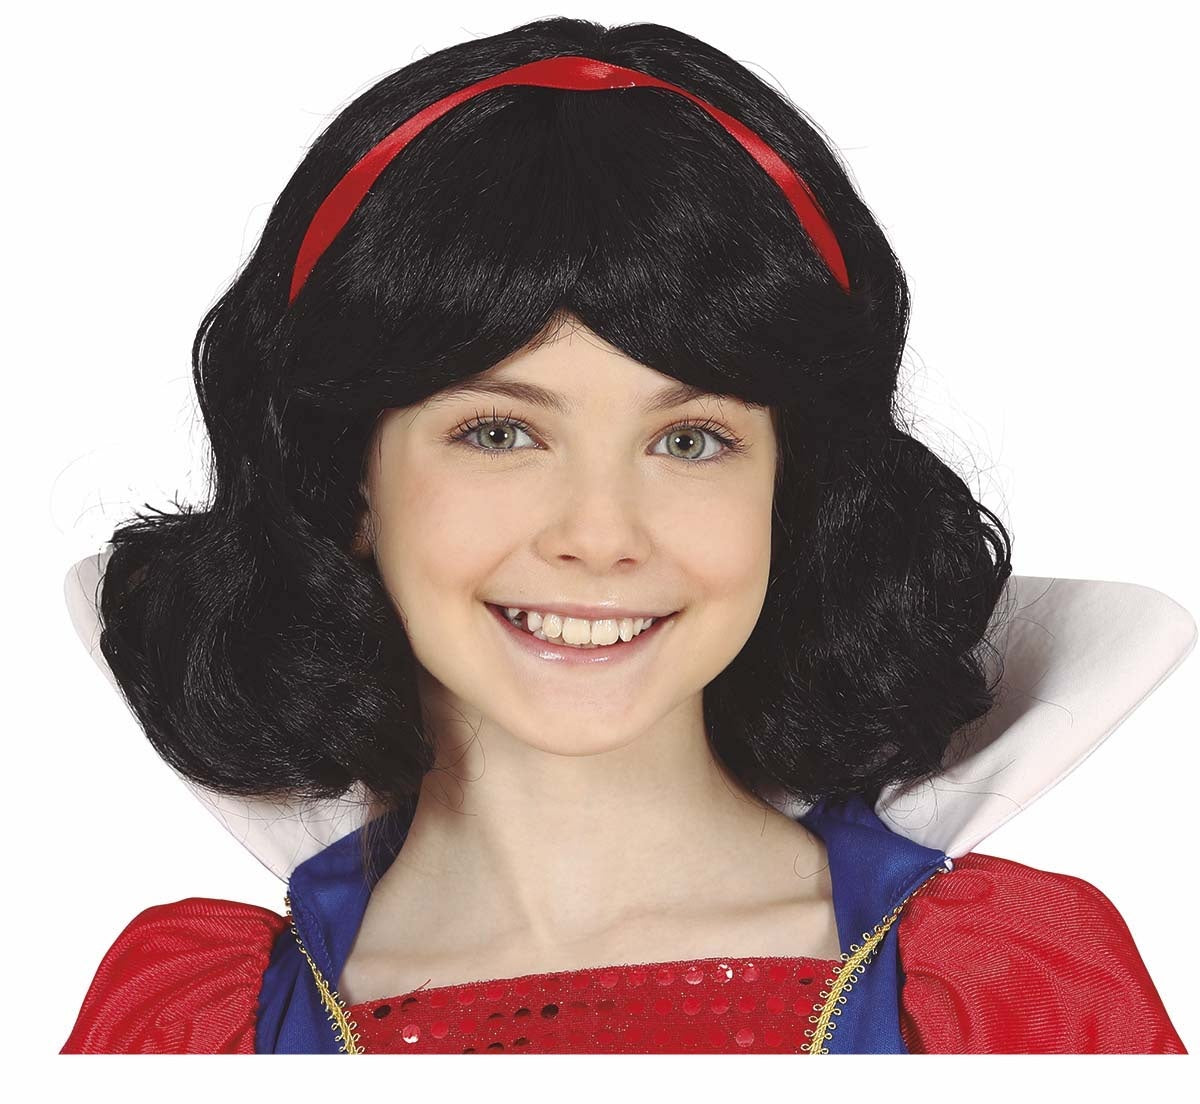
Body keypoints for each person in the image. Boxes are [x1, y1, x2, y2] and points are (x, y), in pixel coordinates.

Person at [58, 16, 1189, 1054]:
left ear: (790, 490)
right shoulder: (201, 1030)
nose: (600, 536)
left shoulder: (1005, 997)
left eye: (690, 440)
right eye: (500, 432)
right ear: (348, 482)